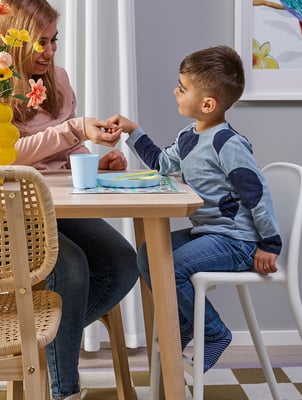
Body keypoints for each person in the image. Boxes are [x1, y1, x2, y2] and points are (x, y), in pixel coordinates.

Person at [108, 45, 282, 372]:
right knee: (147, 256)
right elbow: (161, 163)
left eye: (182, 87)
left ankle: (214, 333)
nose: (175, 91)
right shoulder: (189, 136)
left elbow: (258, 193)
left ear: (207, 104)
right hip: (209, 232)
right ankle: (188, 327)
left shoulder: (228, 143)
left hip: (237, 241)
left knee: (170, 268)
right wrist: (133, 131)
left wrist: (269, 244)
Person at [0, 1, 140, 399]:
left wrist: (99, 163)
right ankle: (65, 390)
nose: (49, 51)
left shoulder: (58, 79)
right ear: (15, 40)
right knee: (73, 266)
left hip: (60, 206)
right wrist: (74, 128)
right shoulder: (1, 81)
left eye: (53, 41)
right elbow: (9, 154)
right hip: (15, 212)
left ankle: (44, 347)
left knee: (123, 262)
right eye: (39, 42)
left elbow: (69, 150)